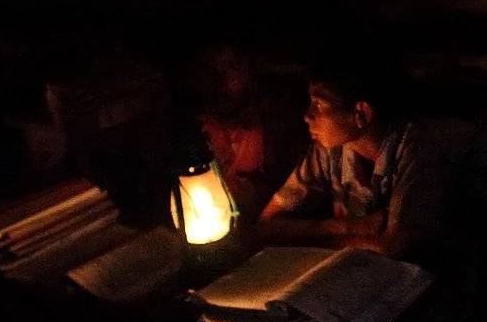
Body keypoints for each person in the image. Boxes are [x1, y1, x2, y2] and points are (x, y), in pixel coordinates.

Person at [257, 57, 445, 262]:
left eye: (318, 104)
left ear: (361, 113)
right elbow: (266, 226)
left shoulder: (416, 150)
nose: (307, 116)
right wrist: (347, 226)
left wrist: (301, 238)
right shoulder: (328, 150)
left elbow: (393, 248)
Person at [189, 42, 304, 218]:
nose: (219, 81)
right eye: (210, 71)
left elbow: (290, 192)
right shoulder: (197, 126)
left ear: (247, 70)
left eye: (229, 69)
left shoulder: (276, 120)